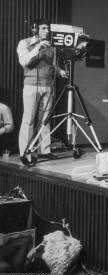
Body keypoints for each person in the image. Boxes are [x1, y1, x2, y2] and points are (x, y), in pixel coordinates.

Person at [16, 18, 67, 165]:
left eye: (47, 28)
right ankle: (25, 152)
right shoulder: (24, 43)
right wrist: (38, 48)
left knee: (45, 120)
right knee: (29, 120)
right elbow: (24, 61)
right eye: (43, 28)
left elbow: (52, 66)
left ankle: (45, 151)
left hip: (48, 86)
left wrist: (60, 71)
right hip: (31, 85)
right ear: (35, 29)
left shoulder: (52, 47)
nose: (47, 31)